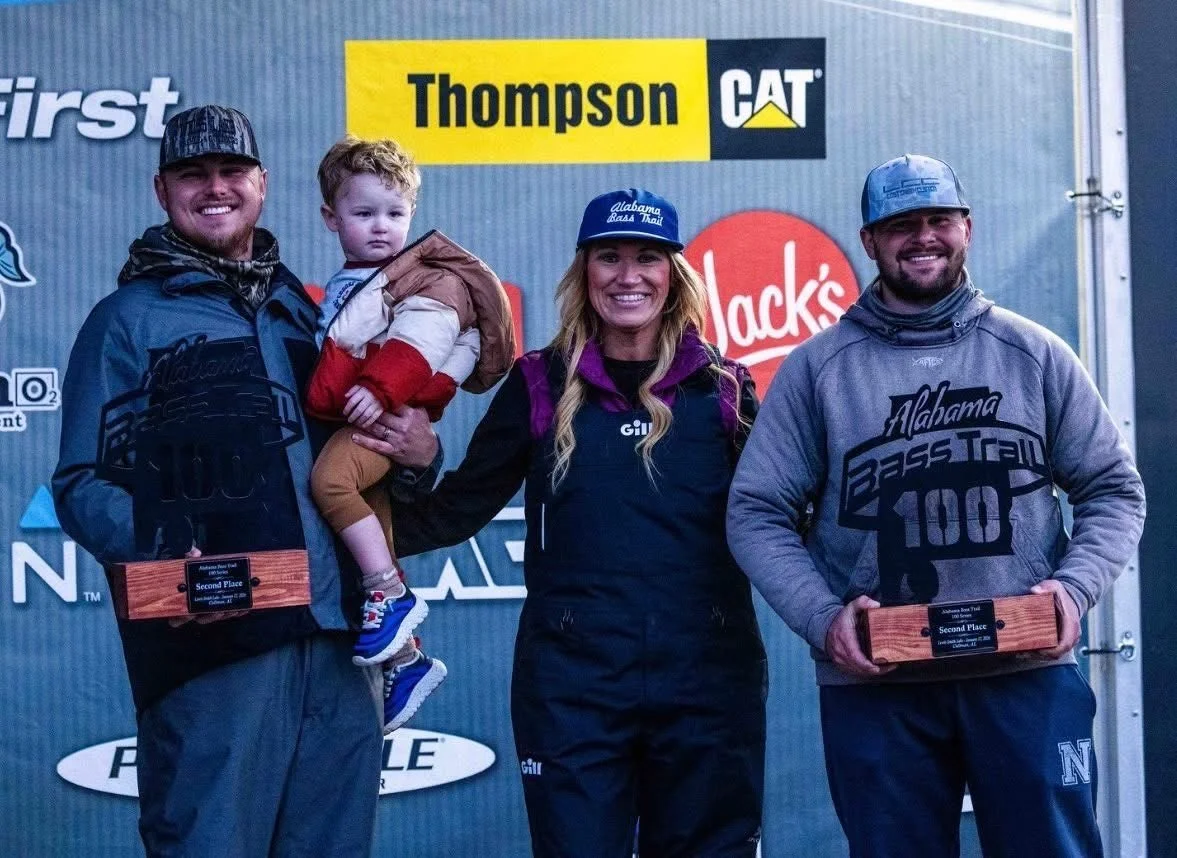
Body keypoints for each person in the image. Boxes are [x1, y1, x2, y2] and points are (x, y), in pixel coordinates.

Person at [727, 154, 1146, 857]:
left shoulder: (1032, 354)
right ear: (869, 240)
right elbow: (756, 511)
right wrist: (824, 619)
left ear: (966, 228)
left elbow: (1110, 489)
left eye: (937, 220)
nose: (921, 238)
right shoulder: (818, 369)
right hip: (879, 686)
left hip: (1024, 678)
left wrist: (1072, 592)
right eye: (900, 224)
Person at [52, 105, 439, 857]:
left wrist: (419, 460)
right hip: (213, 649)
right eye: (193, 175)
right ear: (161, 190)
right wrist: (166, 551)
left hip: (338, 643)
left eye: (232, 172)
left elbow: (366, 474)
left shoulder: (314, 314)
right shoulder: (127, 320)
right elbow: (80, 483)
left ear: (262, 185)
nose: (215, 188)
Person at [384, 187, 767, 857]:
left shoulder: (725, 388)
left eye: (647, 258)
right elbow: (449, 514)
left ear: (673, 274)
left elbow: (784, 520)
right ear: (583, 271)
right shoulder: (539, 381)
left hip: (708, 676)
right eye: (608, 257)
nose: (628, 276)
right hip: (573, 684)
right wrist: (411, 469)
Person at [304, 135, 514, 731]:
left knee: (333, 485)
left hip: (379, 415)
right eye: (363, 213)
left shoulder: (424, 280)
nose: (380, 227)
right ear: (330, 218)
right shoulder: (343, 283)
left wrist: (381, 389)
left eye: (394, 214)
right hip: (354, 416)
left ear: (413, 216)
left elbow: (420, 341)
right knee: (369, 523)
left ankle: (389, 595)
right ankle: (409, 662)